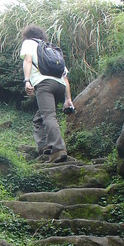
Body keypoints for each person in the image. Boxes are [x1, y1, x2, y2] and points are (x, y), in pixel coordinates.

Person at [20, 24, 74, 163]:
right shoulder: (52, 49)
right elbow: (65, 76)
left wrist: (27, 81)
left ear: (28, 35)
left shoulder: (29, 43)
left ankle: (58, 150)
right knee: (40, 118)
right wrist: (68, 99)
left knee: (49, 116)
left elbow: (28, 60)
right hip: (60, 86)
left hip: (44, 84)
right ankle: (45, 146)